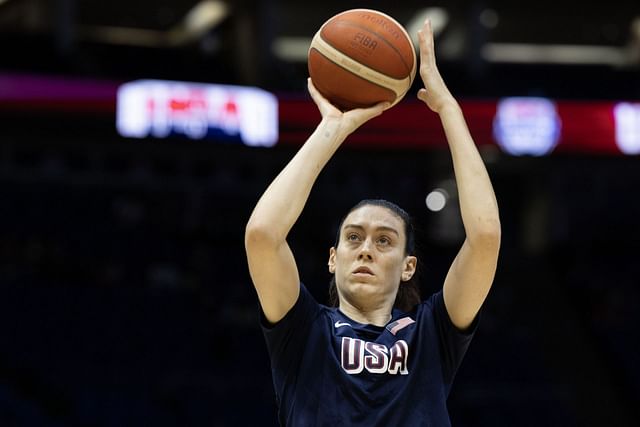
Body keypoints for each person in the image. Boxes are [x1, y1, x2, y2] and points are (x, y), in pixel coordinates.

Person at [245, 18, 500, 426]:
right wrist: (330, 128)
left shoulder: (431, 335)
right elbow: (261, 235)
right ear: (333, 258)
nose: (366, 248)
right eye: (353, 237)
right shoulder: (305, 331)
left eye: (384, 241)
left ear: (408, 266)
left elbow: (485, 236)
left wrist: (448, 109)